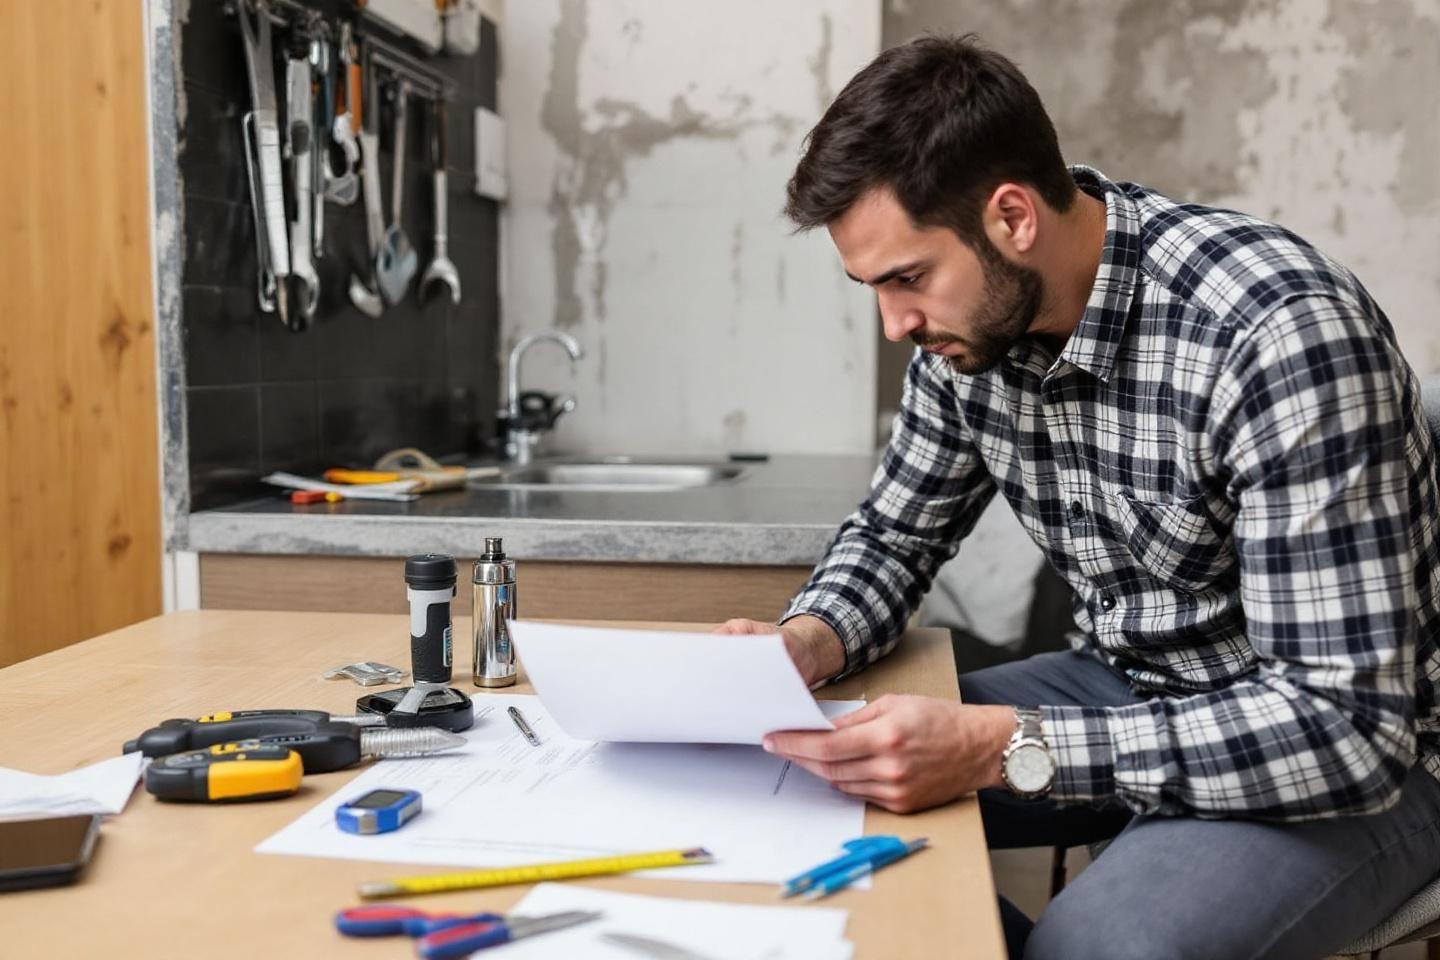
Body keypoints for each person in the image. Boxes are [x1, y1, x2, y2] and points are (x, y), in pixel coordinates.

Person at [716, 34, 1440, 960]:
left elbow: (1347, 728)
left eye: (907, 279)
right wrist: (802, 644)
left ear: (1013, 217)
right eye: (873, 287)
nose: (895, 324)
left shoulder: (1274, 334)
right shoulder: (967, 335)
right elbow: (895, 537)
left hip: (1365, 753)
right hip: (1130, 683)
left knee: (1100, 946)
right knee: (799, 785)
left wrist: (994, 746)